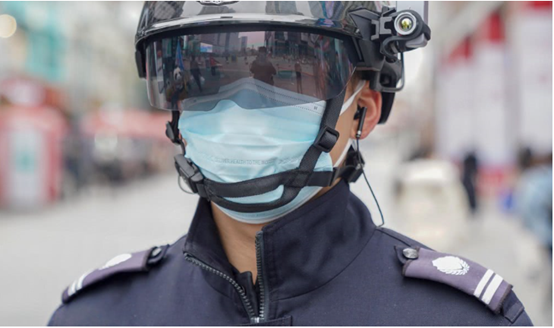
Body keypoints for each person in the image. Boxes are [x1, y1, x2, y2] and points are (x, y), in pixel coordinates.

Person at [48, 2, 532, 326]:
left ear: (363, 108)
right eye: (202, 75)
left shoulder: (459, 319)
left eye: (286, 72)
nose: (236, 106)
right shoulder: (100, 314)